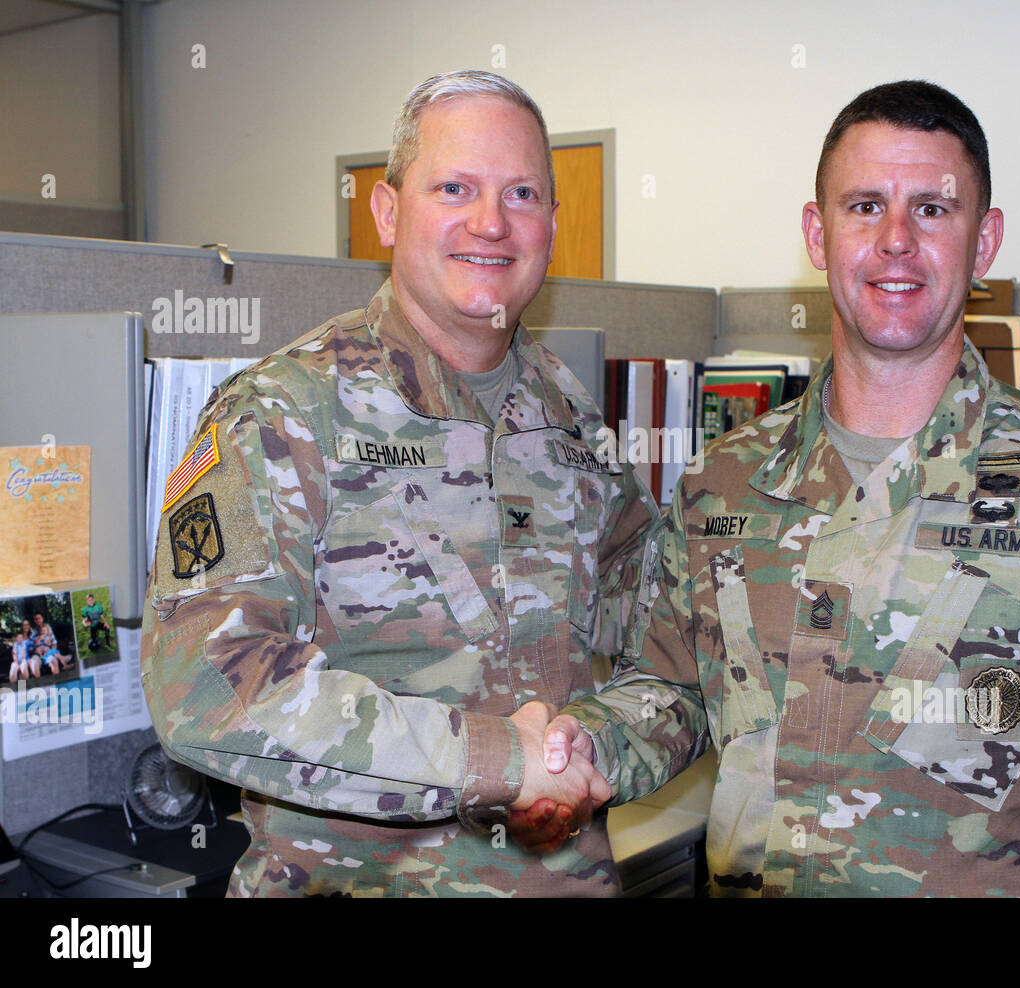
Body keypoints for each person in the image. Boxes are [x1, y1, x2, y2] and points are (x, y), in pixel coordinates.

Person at [520, 80, 1020, 896]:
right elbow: (673, 689)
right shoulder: (722, 482)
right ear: (818, 232)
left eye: (934, 210)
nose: (896, 241)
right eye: (865, 206)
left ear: (985, 243)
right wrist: (587, 747)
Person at [140, 70, 659, 897]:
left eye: (522, 193)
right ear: (388, 212)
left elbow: (667, 629)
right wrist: (500, 760)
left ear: (554, 226)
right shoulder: (280, 413)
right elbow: (206, 687)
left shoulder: (567, 412)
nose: (491, 222)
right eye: (454, 187)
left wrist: (596, 746)